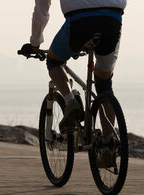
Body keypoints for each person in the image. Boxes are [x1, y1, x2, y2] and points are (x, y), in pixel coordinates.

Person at [20, 0, 126, 135]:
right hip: (113, 18)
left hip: (80, 20)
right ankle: (108, 144)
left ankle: (71, 102)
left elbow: (41, 10)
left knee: (54, 61)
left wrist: (35, 43)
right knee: (104, 83)